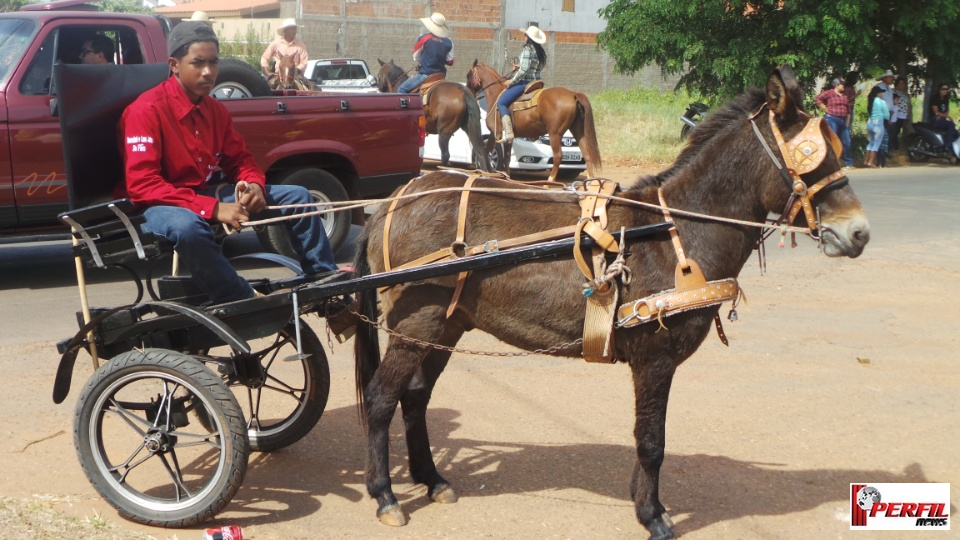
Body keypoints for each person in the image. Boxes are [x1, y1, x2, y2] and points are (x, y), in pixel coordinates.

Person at [118, 21, 337, 304]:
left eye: (213, 63)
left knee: (300, 197)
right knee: (188, 228)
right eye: (198, 63)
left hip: (204, 194)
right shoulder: (145, 111)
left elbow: (241, 160)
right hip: (157, 205)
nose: (208, 72)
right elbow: (143, 186)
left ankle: (325, 283)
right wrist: (213, 208)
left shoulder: (216, 111)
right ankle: (241, 298)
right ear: (174, 64)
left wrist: (254, 185)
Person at [496, 25, 547, 143]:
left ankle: (508, 132)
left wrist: (511, 80)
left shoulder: (527, 49)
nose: (523, 36)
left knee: (502, 102)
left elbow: (524, 71)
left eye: (525, 35)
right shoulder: (540, 51)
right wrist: (519, 67)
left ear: (528, 37)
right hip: (537, 82)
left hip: (525, 82)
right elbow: (533, 67)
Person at [396, 12, 454, 94]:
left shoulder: (424, 38)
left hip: (426, 74)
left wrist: (424, 59)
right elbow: (450, 62)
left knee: (401, 89)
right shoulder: (449, 42)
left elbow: (415, 56)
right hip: (441, 76)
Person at [815, 78, 854, 169]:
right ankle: (831, 163)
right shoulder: (830, 93)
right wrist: (825, 108)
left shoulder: (844, 96)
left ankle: (849, 163)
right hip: (832, 118)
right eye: (841, 84)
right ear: (836, 85)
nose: (843, 86)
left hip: (843, 120)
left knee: (847, 141)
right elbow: (817, 99)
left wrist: (847, 121)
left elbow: (848, 109)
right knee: (832, 141)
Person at [865, 85, 889, 168]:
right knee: (876, 144)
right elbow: (886, 115)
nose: (882, 94)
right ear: (878, 93)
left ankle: (866, 160)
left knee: (870, 143)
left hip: (870, 122)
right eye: (881, 92)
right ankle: (871, 162)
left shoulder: (871, 101)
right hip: (878, 123)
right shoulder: (881, 102)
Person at [929, 83, 958, 149]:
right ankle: (947, 146)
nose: (945, 91)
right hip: (935, 120)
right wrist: (946, 116)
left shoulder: (945, 99)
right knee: (951, 124)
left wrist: (943, 116)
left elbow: (947, 110)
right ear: (939, 89)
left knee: (956, 134)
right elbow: (936, 112)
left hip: (942, 119)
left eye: (946, 89)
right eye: (943, 89)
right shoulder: (935, 99)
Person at [889, 76, 910, 152]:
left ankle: (895, 147)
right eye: (900, 83)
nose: (901, 85)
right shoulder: (892, 91)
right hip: (895, 115)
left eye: (903, 83)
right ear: (896, 84)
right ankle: (894, 147)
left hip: (902, 116)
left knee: (897, 131)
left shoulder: (904, 94)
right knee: (893, 131)